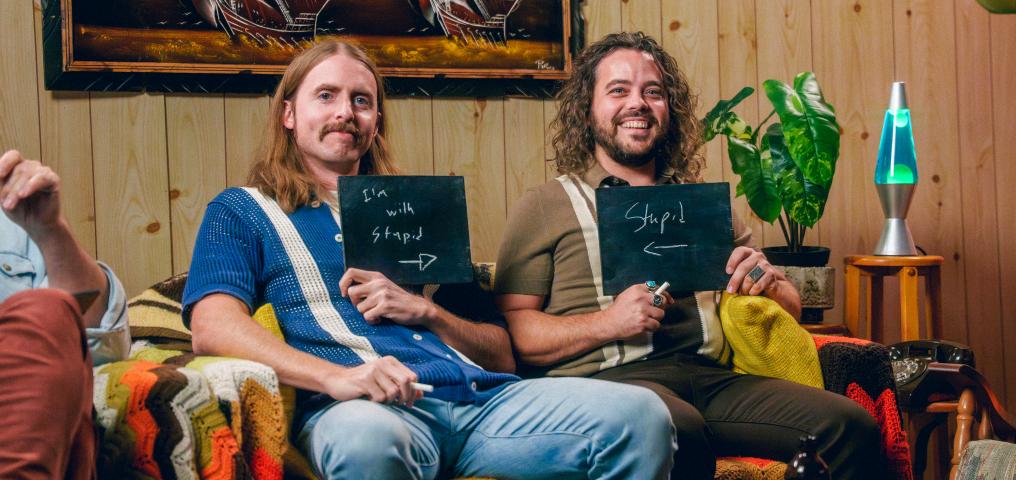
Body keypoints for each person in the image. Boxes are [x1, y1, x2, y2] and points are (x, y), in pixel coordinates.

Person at [182, 40, 675, 480]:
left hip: (482, 400)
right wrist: (336, 377)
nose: (346, 113)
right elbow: (212, 326)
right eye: (326, 96)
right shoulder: (243, 210)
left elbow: (502, 353)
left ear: (376, 123)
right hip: (368, 408)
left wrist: (428, 313)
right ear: (288, 114)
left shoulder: (414, 207)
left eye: (362, 101)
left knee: (641, 416)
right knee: (364, 440)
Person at [494, 31, 885, 479]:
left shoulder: (701, 206)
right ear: (588, 109)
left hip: (711, 379)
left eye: (652, 92)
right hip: (609, 386)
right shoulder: (546, 205)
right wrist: (610, 322)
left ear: (669, 109)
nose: (637, 103)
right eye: (618, 90)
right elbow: (516, 335)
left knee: (850, 426)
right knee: (678, 429)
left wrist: (770, 282)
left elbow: (790, 310)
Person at [0, 150, 129, 479]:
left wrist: (50, 231)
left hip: (19, 413)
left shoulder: (12, 208)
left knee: (49, 309)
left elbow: (105, 342)